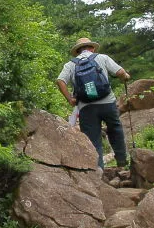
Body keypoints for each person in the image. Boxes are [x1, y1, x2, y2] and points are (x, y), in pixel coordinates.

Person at [56, 37, 131, 170]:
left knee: (93, 139)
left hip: (86, 106)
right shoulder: (102, 57)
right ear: (92, 48)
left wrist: (70, 99)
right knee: (115, 129)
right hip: (107, 102)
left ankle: (98, 170)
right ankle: (122, 161)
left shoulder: (70, 64)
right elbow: (120, 72)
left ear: (78, 51)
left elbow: (60, 81)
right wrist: (125, 77)